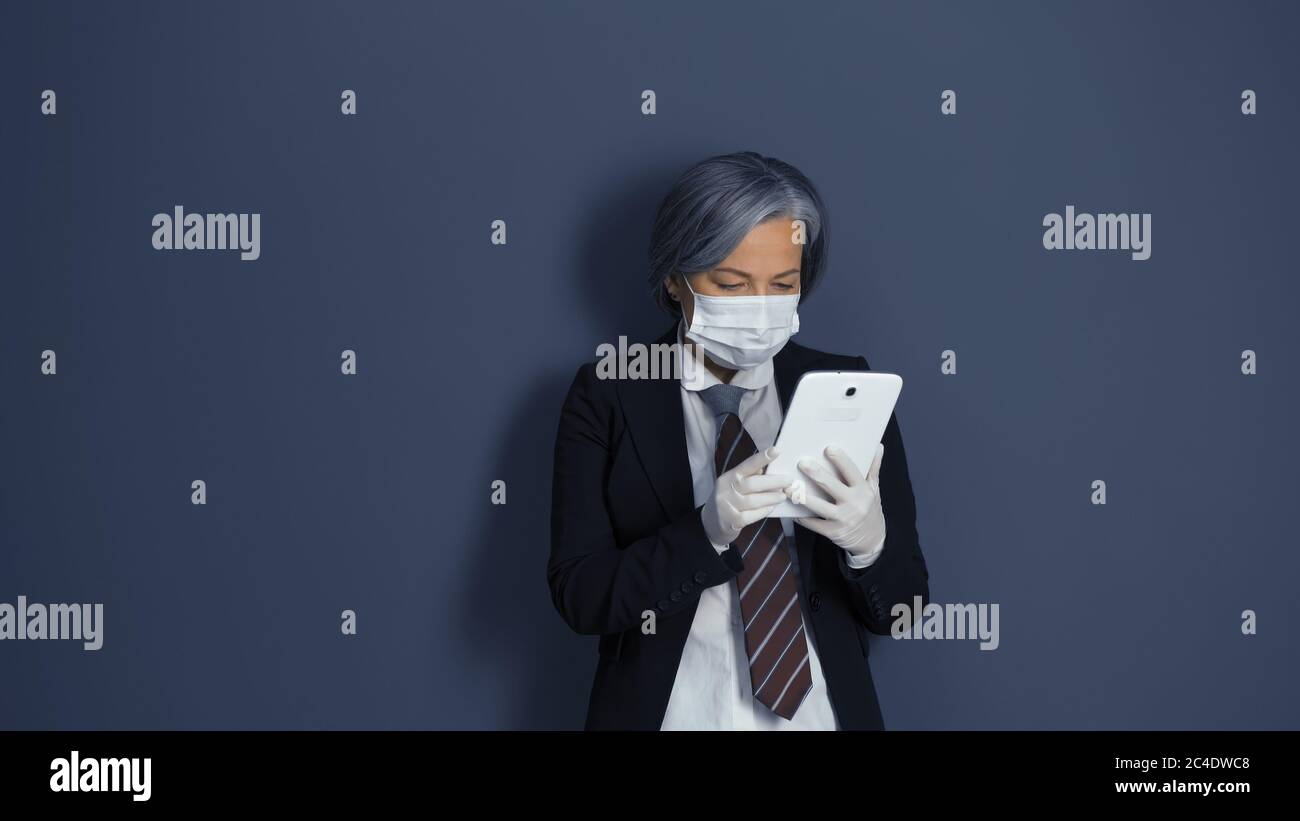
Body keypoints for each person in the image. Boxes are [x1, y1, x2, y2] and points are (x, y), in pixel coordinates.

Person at [548, 150, 929, 730]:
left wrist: (869, 544)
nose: (758, 309)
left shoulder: (849, 387)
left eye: (782, 284)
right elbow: (580, 595)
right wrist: (703, 533)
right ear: (676, 280)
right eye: (730, 283)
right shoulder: (609, 392)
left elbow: (901, 613)